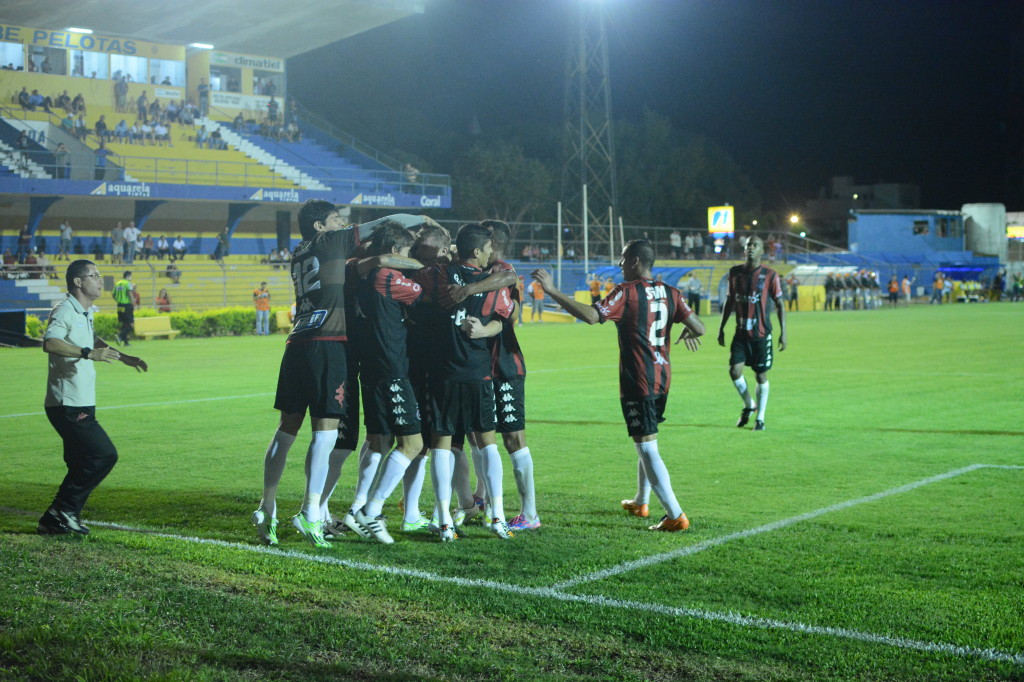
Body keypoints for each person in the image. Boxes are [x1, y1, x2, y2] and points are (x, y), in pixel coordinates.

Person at [532, 239, 704, 532]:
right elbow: (699, 327)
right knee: (646, 439)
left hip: (639, 379)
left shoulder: (627, 293)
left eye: (624, 259)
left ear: (635, 261)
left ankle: (675, 515)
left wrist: (551, 291)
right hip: (663, 379)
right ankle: (640, 501)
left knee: (646, 446)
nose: (620, 264)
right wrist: (687, 331)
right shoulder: (671, 292)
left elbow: (591, 315)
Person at [37, 260, 147, 535]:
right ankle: (61, 511)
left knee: (79, 463)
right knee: (103, 455)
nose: (100, 280)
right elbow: (50, 342)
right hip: (67, 402)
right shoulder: (65, 310)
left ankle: (58, 518)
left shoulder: (83, 312)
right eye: (94, 276)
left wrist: (123, 357)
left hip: (79, 401)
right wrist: (87, 353)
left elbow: (92, 339)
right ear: (77, 282)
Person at [718, 236, 787, 431]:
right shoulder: (735, 273)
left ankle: (761, 418)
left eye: (755, 245)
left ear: (761, 251)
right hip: (740, 333)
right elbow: (730, 301)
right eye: (748, 244)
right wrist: (721, 328)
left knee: (760, 376)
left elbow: (780, 304)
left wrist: (784, 333)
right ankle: (749, 405)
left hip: (762, 335)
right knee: (734, 371)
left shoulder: (770, 275)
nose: (750, 248)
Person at [112, 271, 136, 345]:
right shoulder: (127, 283)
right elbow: (130, 294)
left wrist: (118, 301)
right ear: (128, 276)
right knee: (131, 325)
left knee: (125, 324)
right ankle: (119, 336)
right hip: (126, 305)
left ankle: (126, 342)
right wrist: (133, 303)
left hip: (119, 306)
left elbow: (113, 295)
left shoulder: (118, 283)